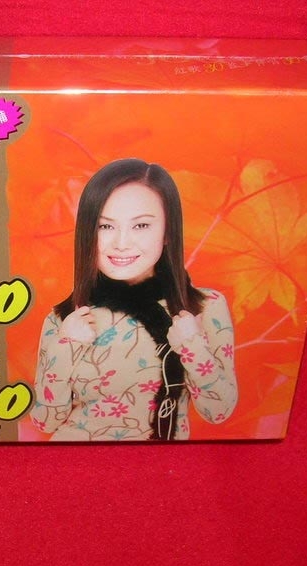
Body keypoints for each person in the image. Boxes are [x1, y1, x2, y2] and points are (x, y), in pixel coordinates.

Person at [30, 158, 237, 441]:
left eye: (141, 225)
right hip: (76, 460)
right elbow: (45, 422)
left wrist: (191, 344)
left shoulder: (204, 307)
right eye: (105, 227)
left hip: (158, 463)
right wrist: (66, 346)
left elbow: (218, 411)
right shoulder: (66, 318)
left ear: (168, 231)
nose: (121, 243)